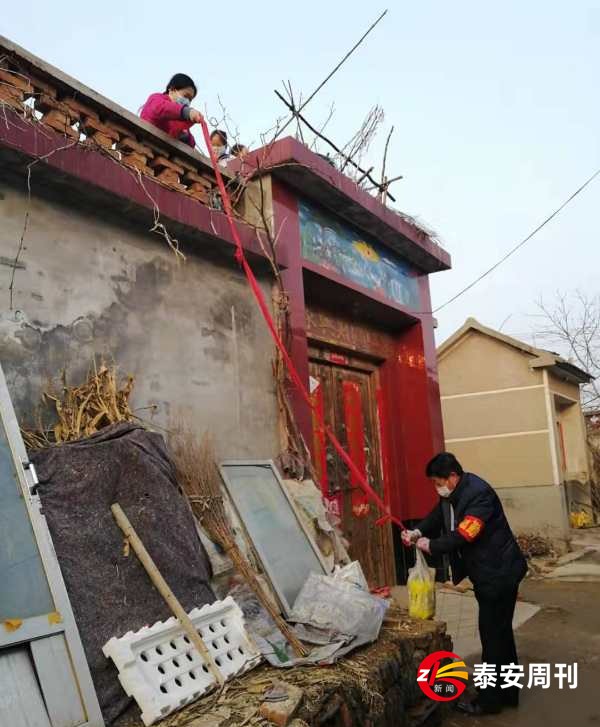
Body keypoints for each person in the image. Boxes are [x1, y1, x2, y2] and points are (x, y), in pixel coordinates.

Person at [402, 452, 527, 716]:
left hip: (498, 574)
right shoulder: (453, 494)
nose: (437, 487)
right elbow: (438, 516)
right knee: (502, 634)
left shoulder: (478, 495)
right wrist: (419, 531)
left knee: (492, 637)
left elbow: (465, 534)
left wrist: (431, 546)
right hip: (490, 572)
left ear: (453, 477)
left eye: (438, 482)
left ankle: (490, 701)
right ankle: (508, 693)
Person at [140, 73, 203, 148]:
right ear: (172, 90)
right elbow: (161, 108)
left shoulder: (179, 117)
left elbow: (191, 144)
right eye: (186, 96)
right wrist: (187, 112)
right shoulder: (155, 99)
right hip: (144, 146)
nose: (187, 101)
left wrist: (186, 137)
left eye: (190, 99)